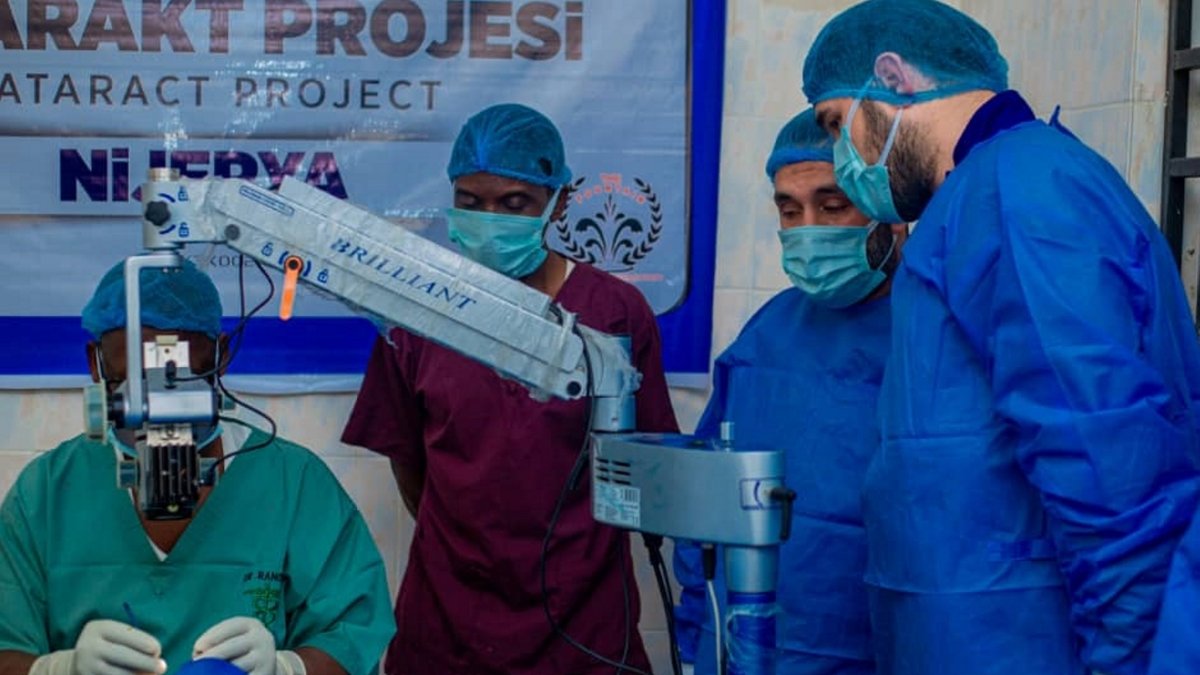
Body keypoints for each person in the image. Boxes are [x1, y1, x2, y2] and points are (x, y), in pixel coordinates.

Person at [802, 1, 1200, 673]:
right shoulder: (988, 193)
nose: (843, 162)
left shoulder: (1018, 188)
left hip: (1020, 641)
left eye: (838, 124)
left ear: (894, 77)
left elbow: (1107, 471)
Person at [341, 103, 680, 674]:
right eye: (471, 203)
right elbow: (408, 457)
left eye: (513, 203)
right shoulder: (416, 311)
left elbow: (648, 464)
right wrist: (469, 547)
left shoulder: (613, 314)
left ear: (560, 202)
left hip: (585, 626)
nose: (489, 217)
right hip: (448, 625)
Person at [0, 260, 395, 675]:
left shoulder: (293, 485)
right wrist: (57, 669)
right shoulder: (45, 493)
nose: (158, 412)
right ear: (96, 364)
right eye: (132, 387)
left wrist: (288, 668)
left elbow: (353, 637)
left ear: (221, 357)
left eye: (182, 383)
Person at [672, 108, 905, 675]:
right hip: (743, 648)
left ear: (893, 209)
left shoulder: (937, 339)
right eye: (788, 210)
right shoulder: (765, 337)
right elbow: (706, 503)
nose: (808, 230)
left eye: (832, 205)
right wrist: (692, 635)